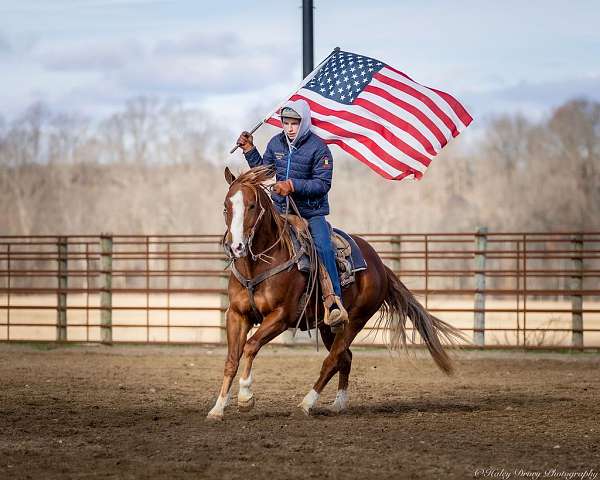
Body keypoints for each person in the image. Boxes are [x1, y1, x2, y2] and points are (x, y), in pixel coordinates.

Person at [236, 99, 348, 329]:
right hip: (279, 210)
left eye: (294, 123)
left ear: (303, 123)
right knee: (252, 235)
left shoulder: (319, 148)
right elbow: (265, 172)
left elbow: (322, 184)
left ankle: (334, 302)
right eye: (286, 122)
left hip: (311, 213)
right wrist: (250, 151)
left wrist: (292, 185)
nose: (289, 128)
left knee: (323, 246)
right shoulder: (276, 143)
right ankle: (249, 292)